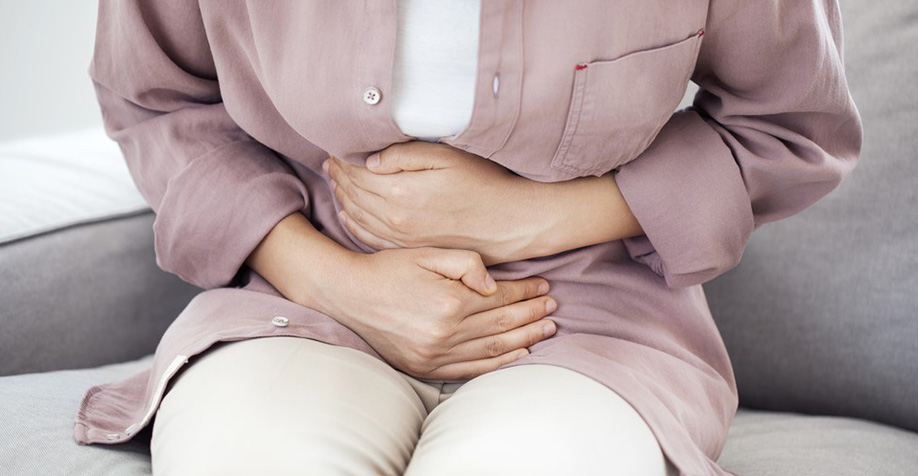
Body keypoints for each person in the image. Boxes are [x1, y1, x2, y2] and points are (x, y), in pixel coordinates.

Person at [74, 1, 862, 475]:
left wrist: (531, 215)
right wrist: (327, 279)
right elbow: (155, 101)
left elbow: (791, 129)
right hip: (297, 301)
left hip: (591, 323)